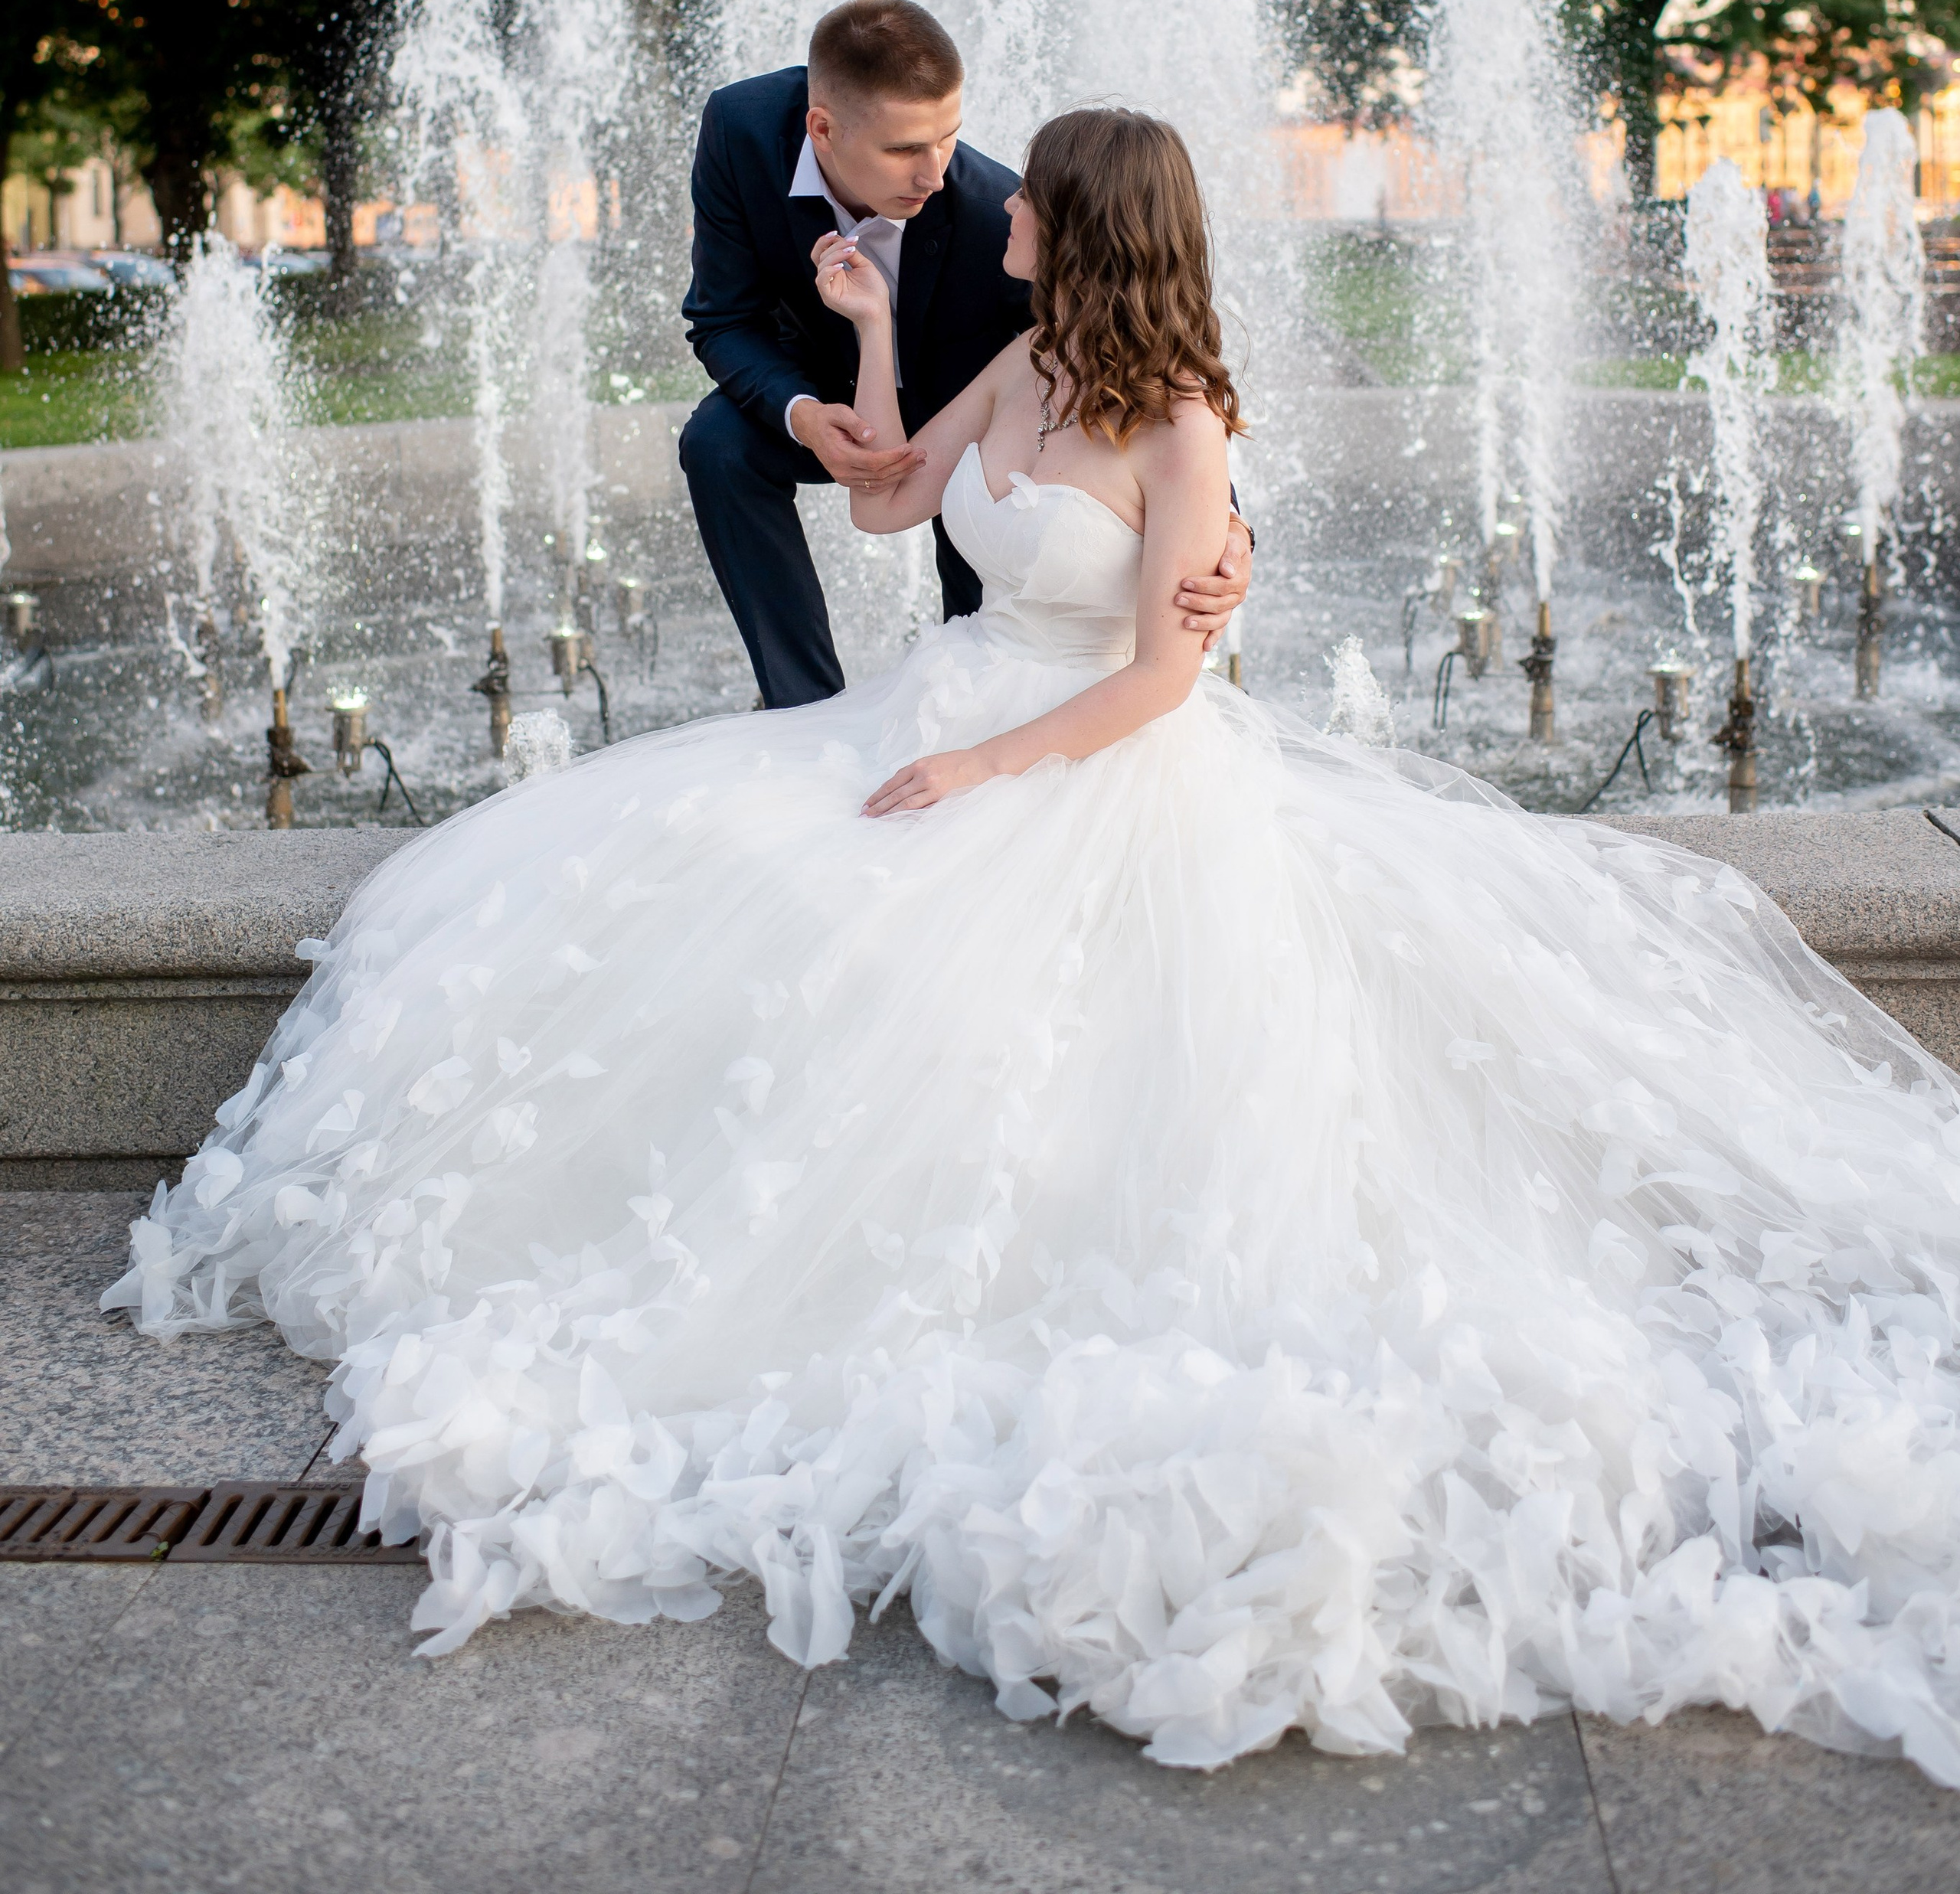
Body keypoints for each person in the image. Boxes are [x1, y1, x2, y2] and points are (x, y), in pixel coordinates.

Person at [111, 109, 1960, 1785]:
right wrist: (863, 325)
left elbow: (1169, 665)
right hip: (955, 703)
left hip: (1101, 758)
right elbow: (898, 497)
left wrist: (986, 760)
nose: (991, 215)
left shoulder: (1179, 420)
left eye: (1025, 206)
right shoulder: (1021, 348)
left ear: (1086, 227)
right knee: (714, 875)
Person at [678, 0, 1251, 704]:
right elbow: (722, 319)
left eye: (948, 137)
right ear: (821, 129)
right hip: (836, 400)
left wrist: (1225, 522)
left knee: (987, 619)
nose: (935, 172)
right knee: (718, 443)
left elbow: (1147, 361)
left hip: (973, 410)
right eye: (904, 149)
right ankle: (802, 706)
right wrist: (802, 411)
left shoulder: (994, 217)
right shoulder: (740, 131)